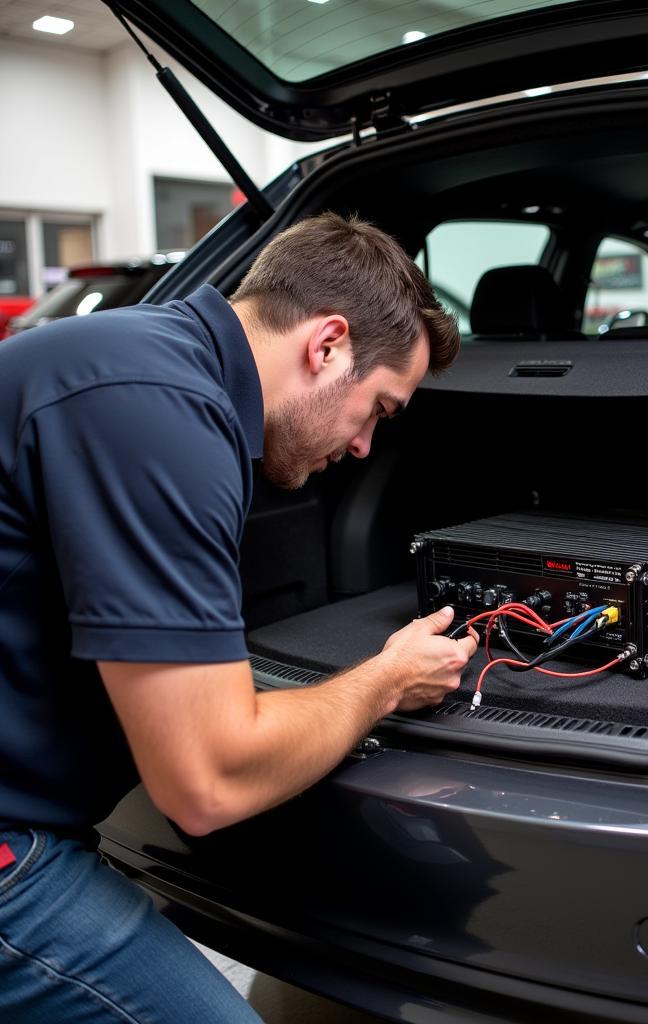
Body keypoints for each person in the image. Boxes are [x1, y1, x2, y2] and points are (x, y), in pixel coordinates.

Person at [0, 212, 479, 1022]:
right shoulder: (160, 413)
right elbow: (207, 781)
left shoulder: (137, 356)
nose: (366, 447)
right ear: (328, 344)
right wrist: (387, 679)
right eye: (379, 409)